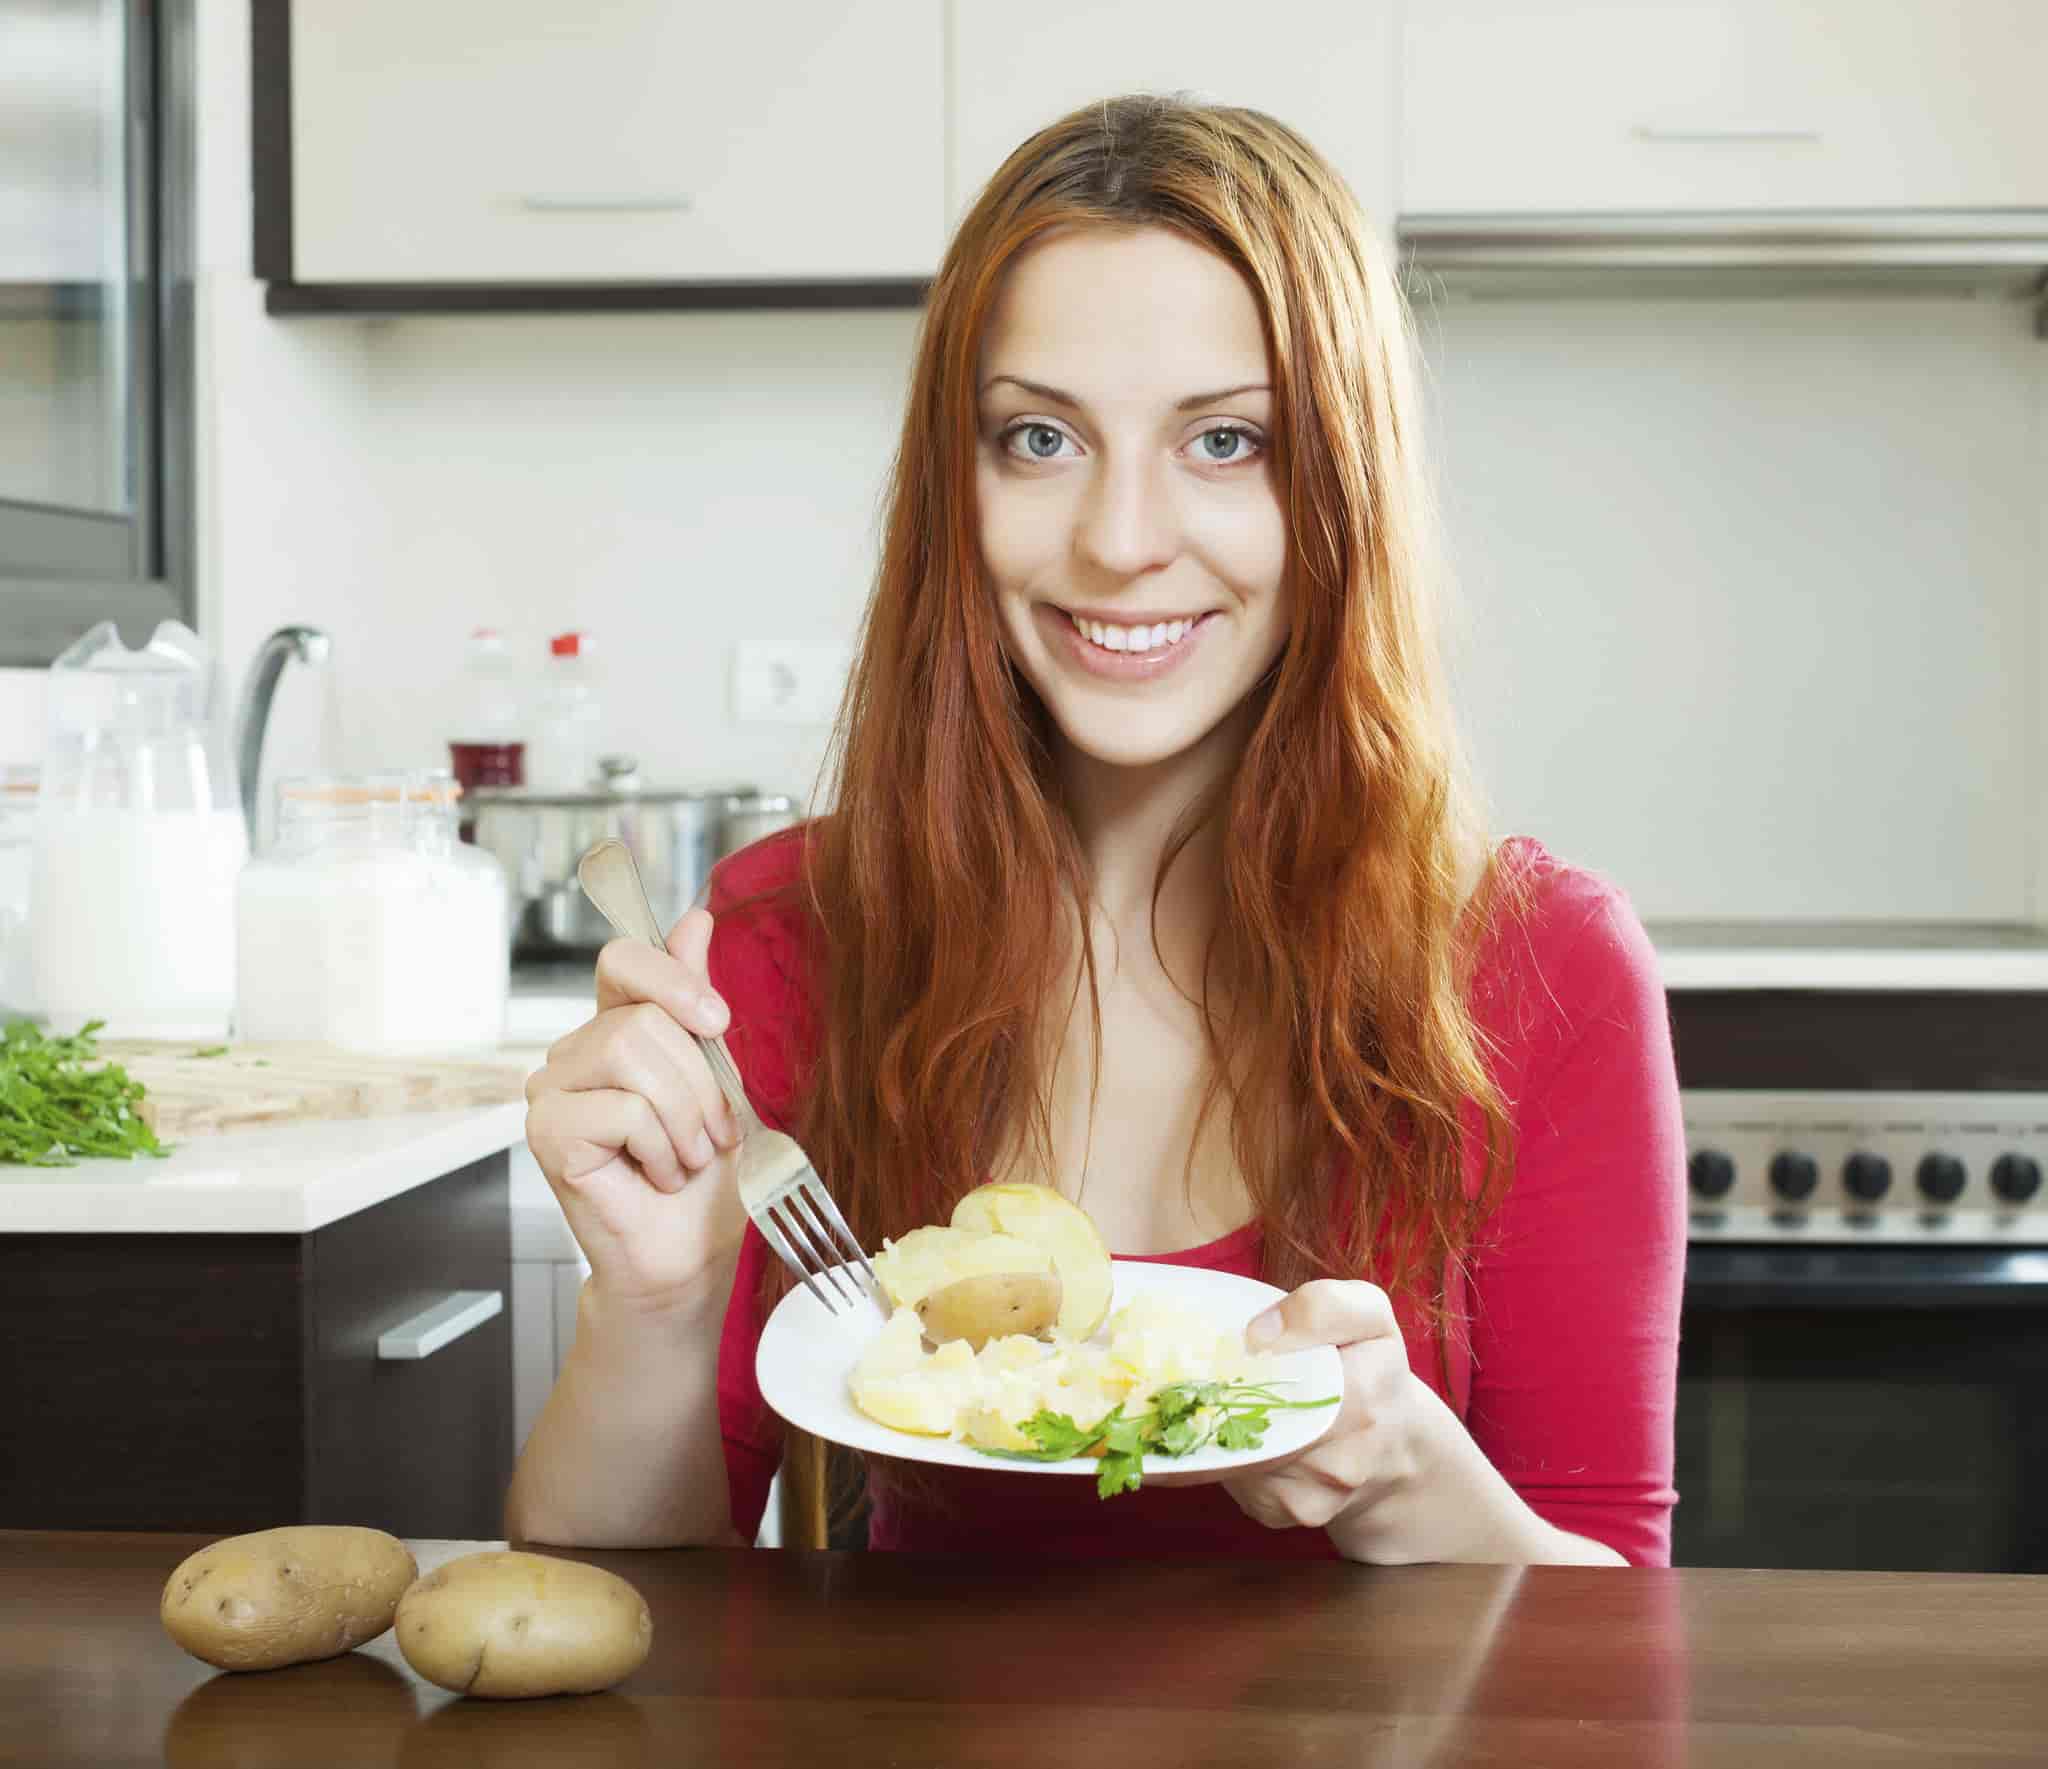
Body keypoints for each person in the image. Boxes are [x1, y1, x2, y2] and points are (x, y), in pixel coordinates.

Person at [507, 94, 1686, 1566]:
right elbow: (613, 1614)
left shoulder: (1542, 970)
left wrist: (1411, 1486)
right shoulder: (789, 938)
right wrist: (655, 1307)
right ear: (960, 482)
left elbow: (1617, 1641)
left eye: (1227, 440)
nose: (1122, 539)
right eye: (1042, 436)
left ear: (1342, 490)